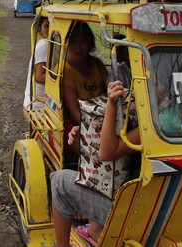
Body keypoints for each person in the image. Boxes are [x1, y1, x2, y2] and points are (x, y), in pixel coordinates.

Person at [51, 79, 140, 247]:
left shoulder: (157, 125)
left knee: (59, 181)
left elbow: (107, 153)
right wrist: (86, 133)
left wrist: (112, 105)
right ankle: (95, 228)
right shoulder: (176, 123)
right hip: (144, 201)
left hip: (134, 213)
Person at [62, 21, 108, 153]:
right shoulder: (66, 69)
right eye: (73, 41)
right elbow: (74, 110)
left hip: (102, 117)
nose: (78, 46)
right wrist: (97, 128)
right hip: (76, 122)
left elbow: (110, 89)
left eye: (83, 41)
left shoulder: (97, 64)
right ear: (67, 43)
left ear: (90, 43)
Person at [23, 16, 50, 111]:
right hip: (39, 105)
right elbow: (40, 77)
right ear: (40, 29)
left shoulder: (46, 43)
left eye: (52, 25)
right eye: (46, 26)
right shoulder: (45, 44)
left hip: (36, 102)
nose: (50, 29)